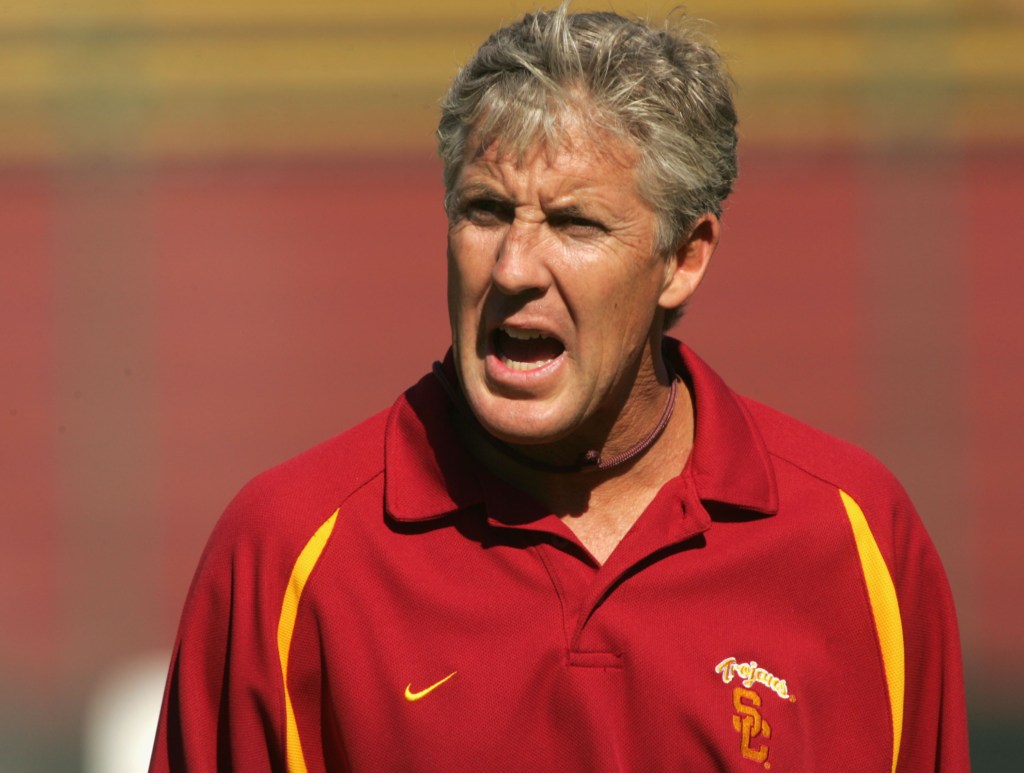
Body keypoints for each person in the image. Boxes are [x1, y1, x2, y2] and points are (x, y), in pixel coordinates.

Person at [150, 6, 970, 772]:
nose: (512, 268)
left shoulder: (857, 542)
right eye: (483, 211)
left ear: (684, 257)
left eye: (575, 224)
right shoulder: (288, 552)